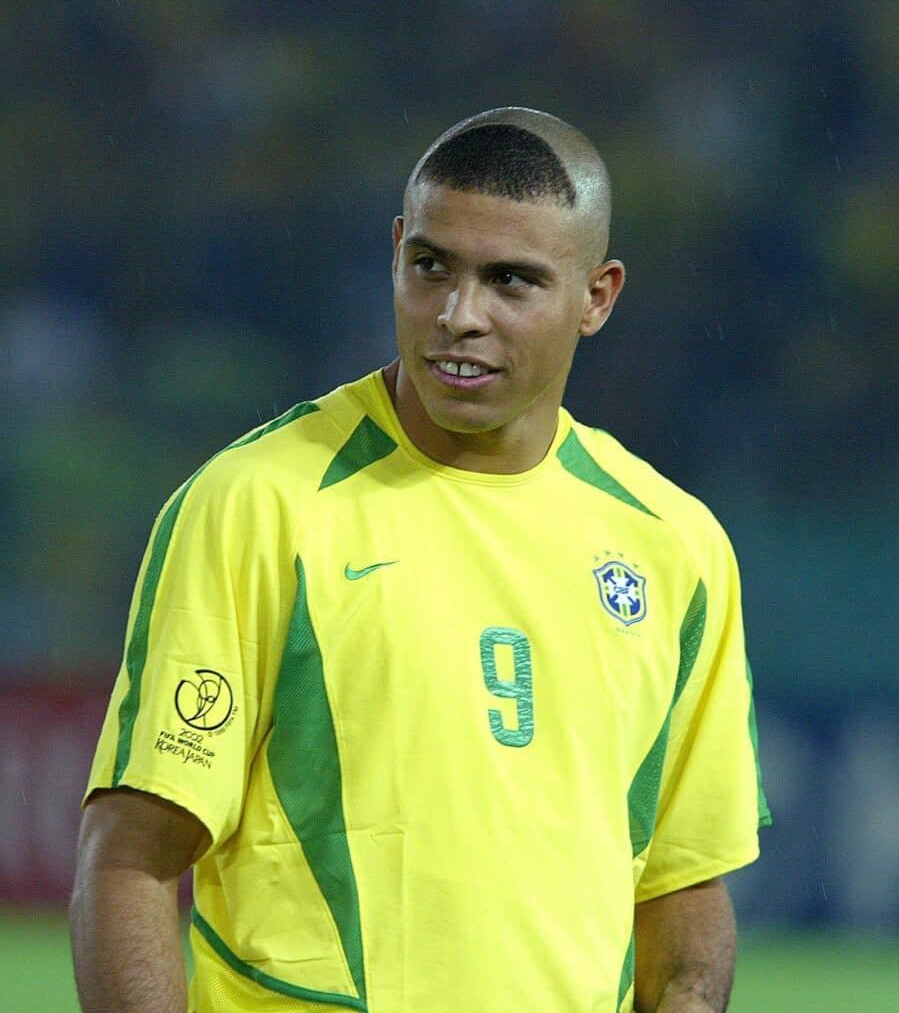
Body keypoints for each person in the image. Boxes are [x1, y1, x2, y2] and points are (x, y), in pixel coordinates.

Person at [70, 107, 771, 1013]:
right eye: (430, 266)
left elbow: (683, 890)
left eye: (511, 282)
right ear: (397, 249)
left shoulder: (675, 546)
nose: (457, 316)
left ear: (597, 297)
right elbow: (129, 855)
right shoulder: (258, 504)